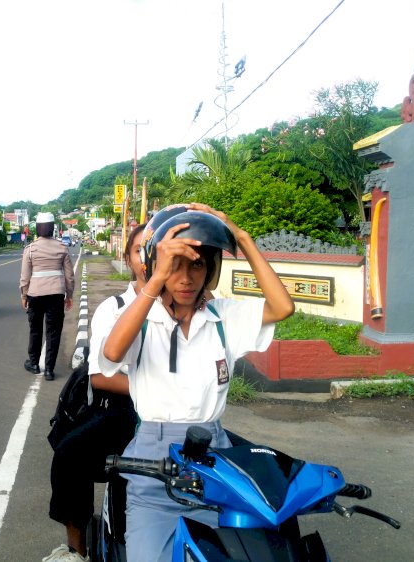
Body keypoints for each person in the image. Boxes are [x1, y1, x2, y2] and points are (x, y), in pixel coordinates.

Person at [99, 203, 295, 562]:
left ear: (210, 270)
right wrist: (155, 278)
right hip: (153, 460)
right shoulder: (143, 319)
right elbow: (111, 354)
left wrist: (242, 238)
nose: (186, 278)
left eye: (197, 264)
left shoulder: (223, 318)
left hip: (214, 459)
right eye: (176, 266)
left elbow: (282, 307)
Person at [42, 224, 146, 562]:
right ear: (128, 257)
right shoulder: (114, 308)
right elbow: (102, 378)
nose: (151, 257)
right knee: (71, 453)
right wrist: (159, 391)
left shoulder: (193, 306)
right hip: (122, 409)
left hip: (175, 414)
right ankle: (76, 550)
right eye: (141, 250)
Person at [19, 212, 75, 381]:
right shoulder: (62, 247)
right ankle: (49, 370)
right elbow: (69, 276)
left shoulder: (30, 249)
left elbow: (25, 276)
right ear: (52, 228)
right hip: (56, 295)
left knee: (35, 330)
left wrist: (24, 294)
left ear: (37, 228)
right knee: (53, 332)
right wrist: (69, 294)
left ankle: (34, 364)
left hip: (35, 295)